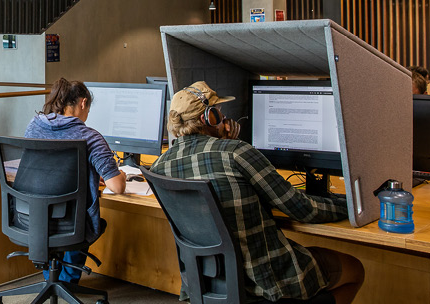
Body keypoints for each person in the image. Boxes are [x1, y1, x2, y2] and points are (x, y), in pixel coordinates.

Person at [150, 81, 364, 303]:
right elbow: (302, 209)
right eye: (220, 113)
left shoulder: (160, 167)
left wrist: (223, 143)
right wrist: (351, 205)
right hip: (266, 280)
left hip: (208, 282)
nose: (224, 119)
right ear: (208, 117)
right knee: (354, 269)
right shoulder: (236, 152)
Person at [23, 78, 125, 284]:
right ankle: (67, 283)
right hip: (72, 223)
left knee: (62, 214)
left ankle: (52, 281)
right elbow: (117, 186)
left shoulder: (34, 126)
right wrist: (120, 174)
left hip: (32, 217)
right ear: (83, 103)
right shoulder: (90, 137)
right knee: (76, 215)